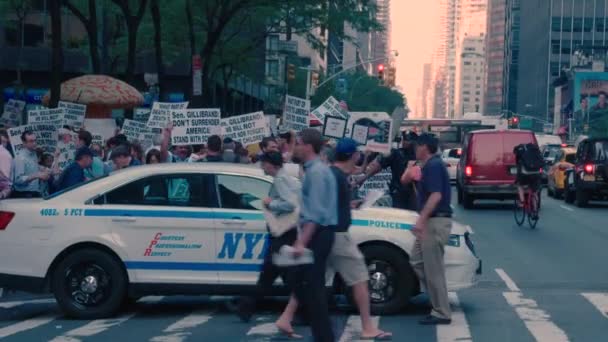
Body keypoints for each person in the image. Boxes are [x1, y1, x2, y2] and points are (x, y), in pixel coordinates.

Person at [236, 151, 301, 338]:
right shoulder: (284, 178)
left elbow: (290, 204)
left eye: (264, 164)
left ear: (272, 164)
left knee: (269, 273)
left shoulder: (281, 180)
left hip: (283, 234)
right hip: (286, 233)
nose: (262, 167)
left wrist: (270, 204)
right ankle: (246, 306)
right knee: (285, 275)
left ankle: (245, 307)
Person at [290, 128, 337, 342]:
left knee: (312, 287)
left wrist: (302, 242)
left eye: (297, 143)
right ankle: (323, 334)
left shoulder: (316, 172)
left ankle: (324, 336)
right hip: (319, 234)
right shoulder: (315, 170)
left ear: (308, 146)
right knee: (307, 284)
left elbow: (316, 214)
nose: (294, 146)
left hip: (318, 235)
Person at [401, 133, 453, 325]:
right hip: (431, 221)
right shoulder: (430, 165)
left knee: (434, 270)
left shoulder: (433, 166)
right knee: (416, 261)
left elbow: (436, 195)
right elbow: (406, 182)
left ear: (424, 147)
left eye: (417, 146)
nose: (415, 148)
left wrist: (421, 220)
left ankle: (441, 311)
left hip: (434, 222)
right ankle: (437, 298)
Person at [358, 131, 418, 210]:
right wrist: (365, 177)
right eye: (404, 139)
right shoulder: (396, 153)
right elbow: (379, 166)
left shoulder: (419, 155)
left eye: (408, 140)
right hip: (398, 192)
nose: (404, 142)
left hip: (414, 193)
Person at [12, 131, 49, 198]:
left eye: (35, 140)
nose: (34, 143)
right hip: (24, 195)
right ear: (24, 143)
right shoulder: (20, 158)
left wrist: (43, 170)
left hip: (35, 193)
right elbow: (18, 180)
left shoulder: (34, 154)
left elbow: (31, 168)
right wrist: (36, 175)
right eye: (31, 141)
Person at [513, 143, 542, 212]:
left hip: (525, 173)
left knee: (520, 185)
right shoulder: (535, 150)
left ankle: (522, 202)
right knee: (534, 191)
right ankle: (535, 210)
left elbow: (518, 164)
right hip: (536, 173)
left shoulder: (521, 151)